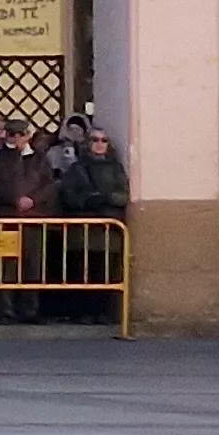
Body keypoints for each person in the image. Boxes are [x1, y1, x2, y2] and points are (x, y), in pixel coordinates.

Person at [0, 119, 59, 322]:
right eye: (12, 134)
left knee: (32, 265)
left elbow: (49, 184)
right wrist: (14, 200)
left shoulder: (40, 159)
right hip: (6, 217)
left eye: (20, 134)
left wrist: (33, 200)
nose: (16, 139)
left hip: (33, 218)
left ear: (28, 136)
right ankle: (5, 310)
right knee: (6, 265)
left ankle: (30, 309)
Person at [52, 128, 130, 322]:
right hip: (83, 229)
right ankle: (83, 312)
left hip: (108, 229)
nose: (99, 143)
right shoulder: (77, 168)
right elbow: (68, 194)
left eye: (104, 140)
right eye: (95, 139)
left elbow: (124, 194)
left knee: (105, 272)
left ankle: (103, 313)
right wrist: (88, 200)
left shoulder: (116, 168)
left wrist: (106, 198)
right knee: (82, 271)